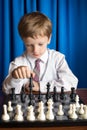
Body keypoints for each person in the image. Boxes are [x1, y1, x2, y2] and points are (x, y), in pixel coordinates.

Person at [2, 12, 78, 94]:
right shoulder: (18, 63)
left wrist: (40, 86)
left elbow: (72, 82)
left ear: (49, 39)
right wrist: (14, 77)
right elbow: (7, 90)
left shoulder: (58, 58)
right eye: (29, 45)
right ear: (23, 40)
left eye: (40, 44)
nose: (35, 50)